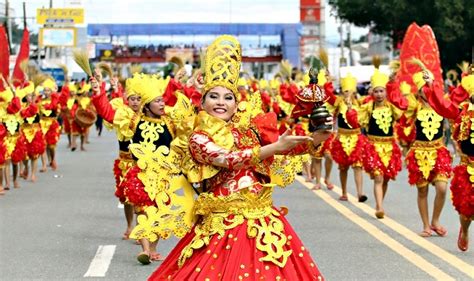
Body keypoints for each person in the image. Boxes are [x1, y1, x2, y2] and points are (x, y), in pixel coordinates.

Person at [135, 35, 331, 280]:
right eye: (214, 96)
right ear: (203, 102)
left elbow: (287, 148)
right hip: (223, 224)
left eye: (228, 97)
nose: (221, 102)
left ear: (236, 105)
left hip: (263, 219)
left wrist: (318, 136)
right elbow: (229, 159)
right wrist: (275, 148)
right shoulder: (198, 138)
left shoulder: (250, 130)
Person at [423, 68, 474, 251]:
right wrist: (432, 84)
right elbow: (443, 105)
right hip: (469, 168)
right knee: (466, 212)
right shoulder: (463, 112)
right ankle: (465, 230)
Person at [346, 70, 406, 218]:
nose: (379, 94)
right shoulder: (368, 107)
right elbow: (356, 122)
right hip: (374, 147)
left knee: (385, 178)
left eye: (381, 91)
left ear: (386, 92)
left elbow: (403, 116)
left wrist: (394, 85)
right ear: (372, 92)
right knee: (378, 177)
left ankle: (381, 202)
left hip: (389, 147)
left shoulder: (392, 107)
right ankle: (379, 206)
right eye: (376, 91)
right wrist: (349, 110)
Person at [402, 67, 452, 238]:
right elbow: (399, 104)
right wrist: (394, 86)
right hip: (419, 152)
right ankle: (425, 225)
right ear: (419, 90)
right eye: (423, 88)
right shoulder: (414, 106)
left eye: (429, 87)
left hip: (438, 151)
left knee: (442, 188)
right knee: (422, 191)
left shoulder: (441, 103)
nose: (427, 91)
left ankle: (435, 220)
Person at [325, 73, 368, 202]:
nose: (348, 93)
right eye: (345, 91)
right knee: (343, 167)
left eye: (350, 91)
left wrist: (350, 107)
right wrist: (328, 82)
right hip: (342, 137)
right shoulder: (339, 102)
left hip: (356, 137)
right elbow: (328, 97)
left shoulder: (360, 104)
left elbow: (357, 121)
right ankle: (344, 192)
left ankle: (360, 193)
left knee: (358, 166)